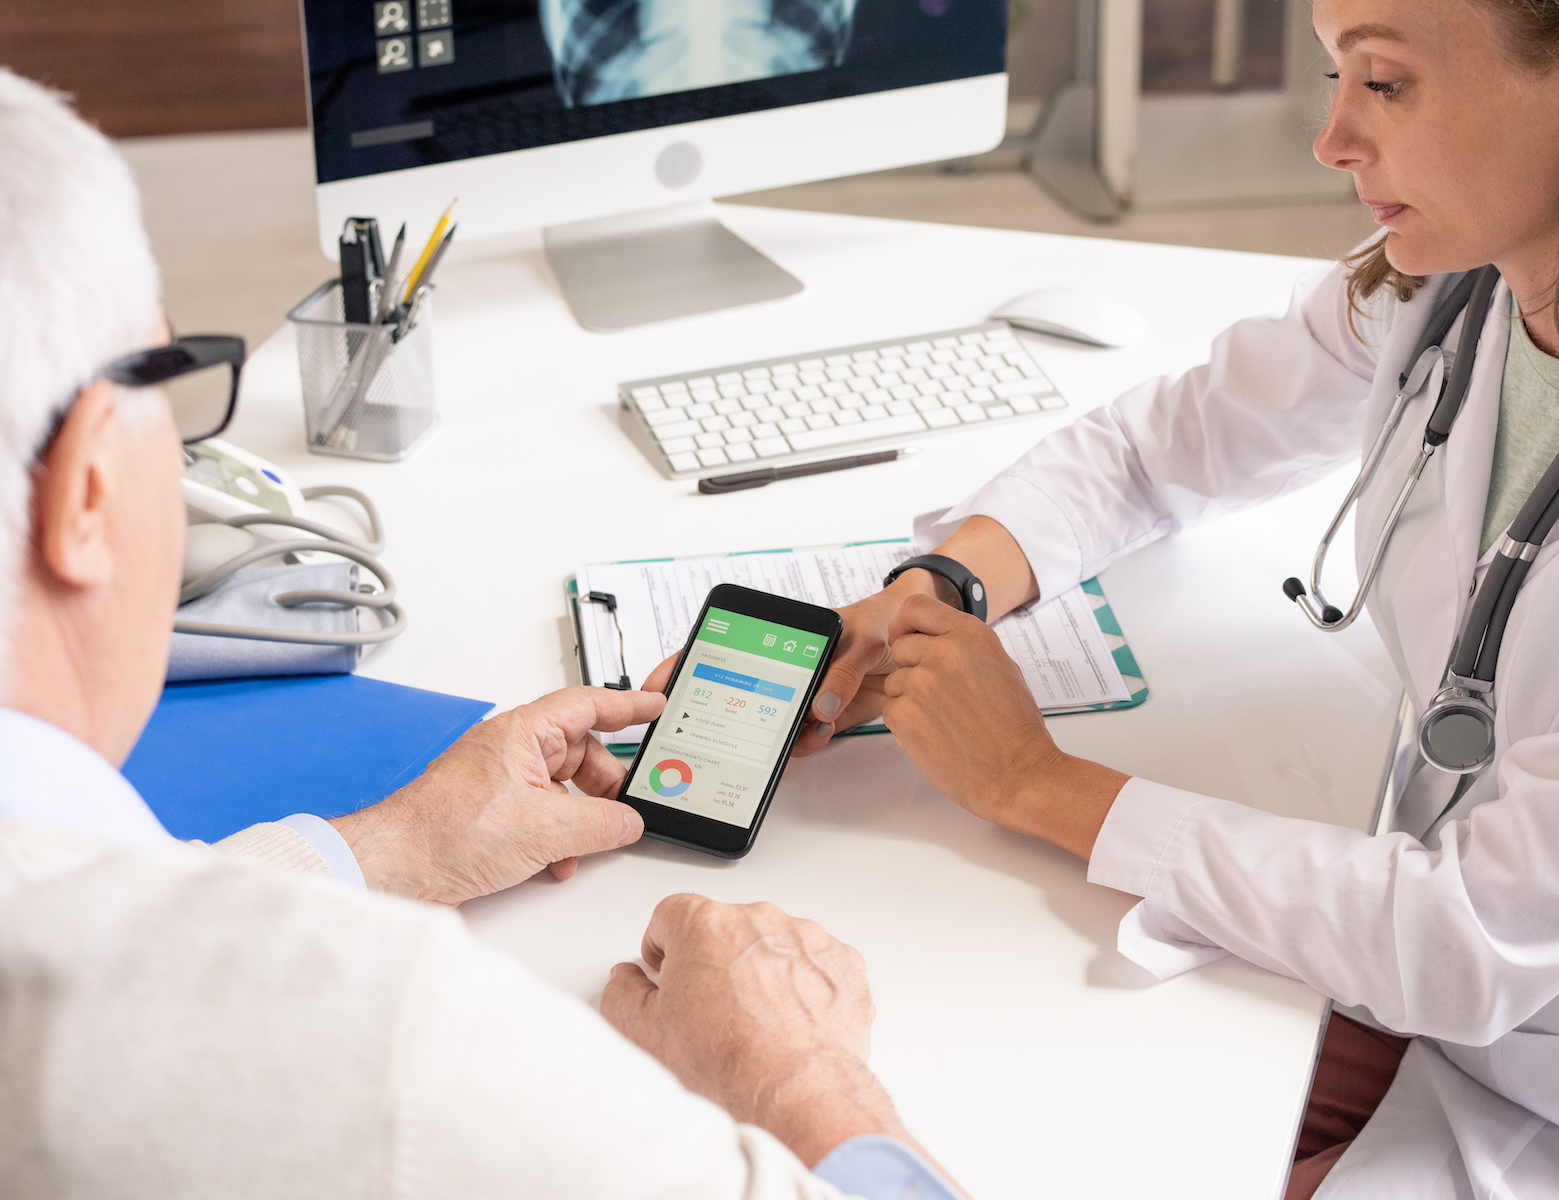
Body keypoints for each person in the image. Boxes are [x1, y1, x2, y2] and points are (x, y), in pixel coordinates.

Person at [758, 0, 1559, 1195]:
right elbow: (1171, 441)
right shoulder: (1463, 281)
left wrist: (1031, 782)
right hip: (1416, 976)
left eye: (1385, 83)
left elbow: (1474, 937)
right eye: (1331, 76)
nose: (1332, 138)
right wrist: (939, 591)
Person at [0, 68, 963, 1200]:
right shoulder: (396, 1046)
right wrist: (798, 1071)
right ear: (90, 488)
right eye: (176, 393)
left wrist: (395, 846)